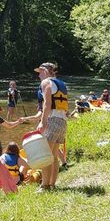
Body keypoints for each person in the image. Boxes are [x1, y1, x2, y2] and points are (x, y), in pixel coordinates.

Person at [34, 62, 68, 191]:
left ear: (46, 71)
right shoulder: (61, 84)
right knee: (53, 156)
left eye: (40, 72)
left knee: (45, 156)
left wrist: (43, 122)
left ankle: (44, 186)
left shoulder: (46, 83)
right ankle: (52, 184)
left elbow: (47, 104)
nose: (39, 76)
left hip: (52, 120)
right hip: (62, 122)